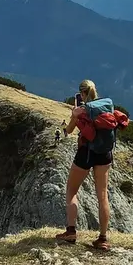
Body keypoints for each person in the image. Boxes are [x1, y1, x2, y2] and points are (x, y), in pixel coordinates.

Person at [56, 80, 116, 251]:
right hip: (104, 153)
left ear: (82, 94)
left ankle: (71, 231)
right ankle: (103, 238)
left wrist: (72, 118)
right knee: (102, 196)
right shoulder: (107, 105)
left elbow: (70, 130)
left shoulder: (79, 110)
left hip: (86, 152)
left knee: (72, 190)